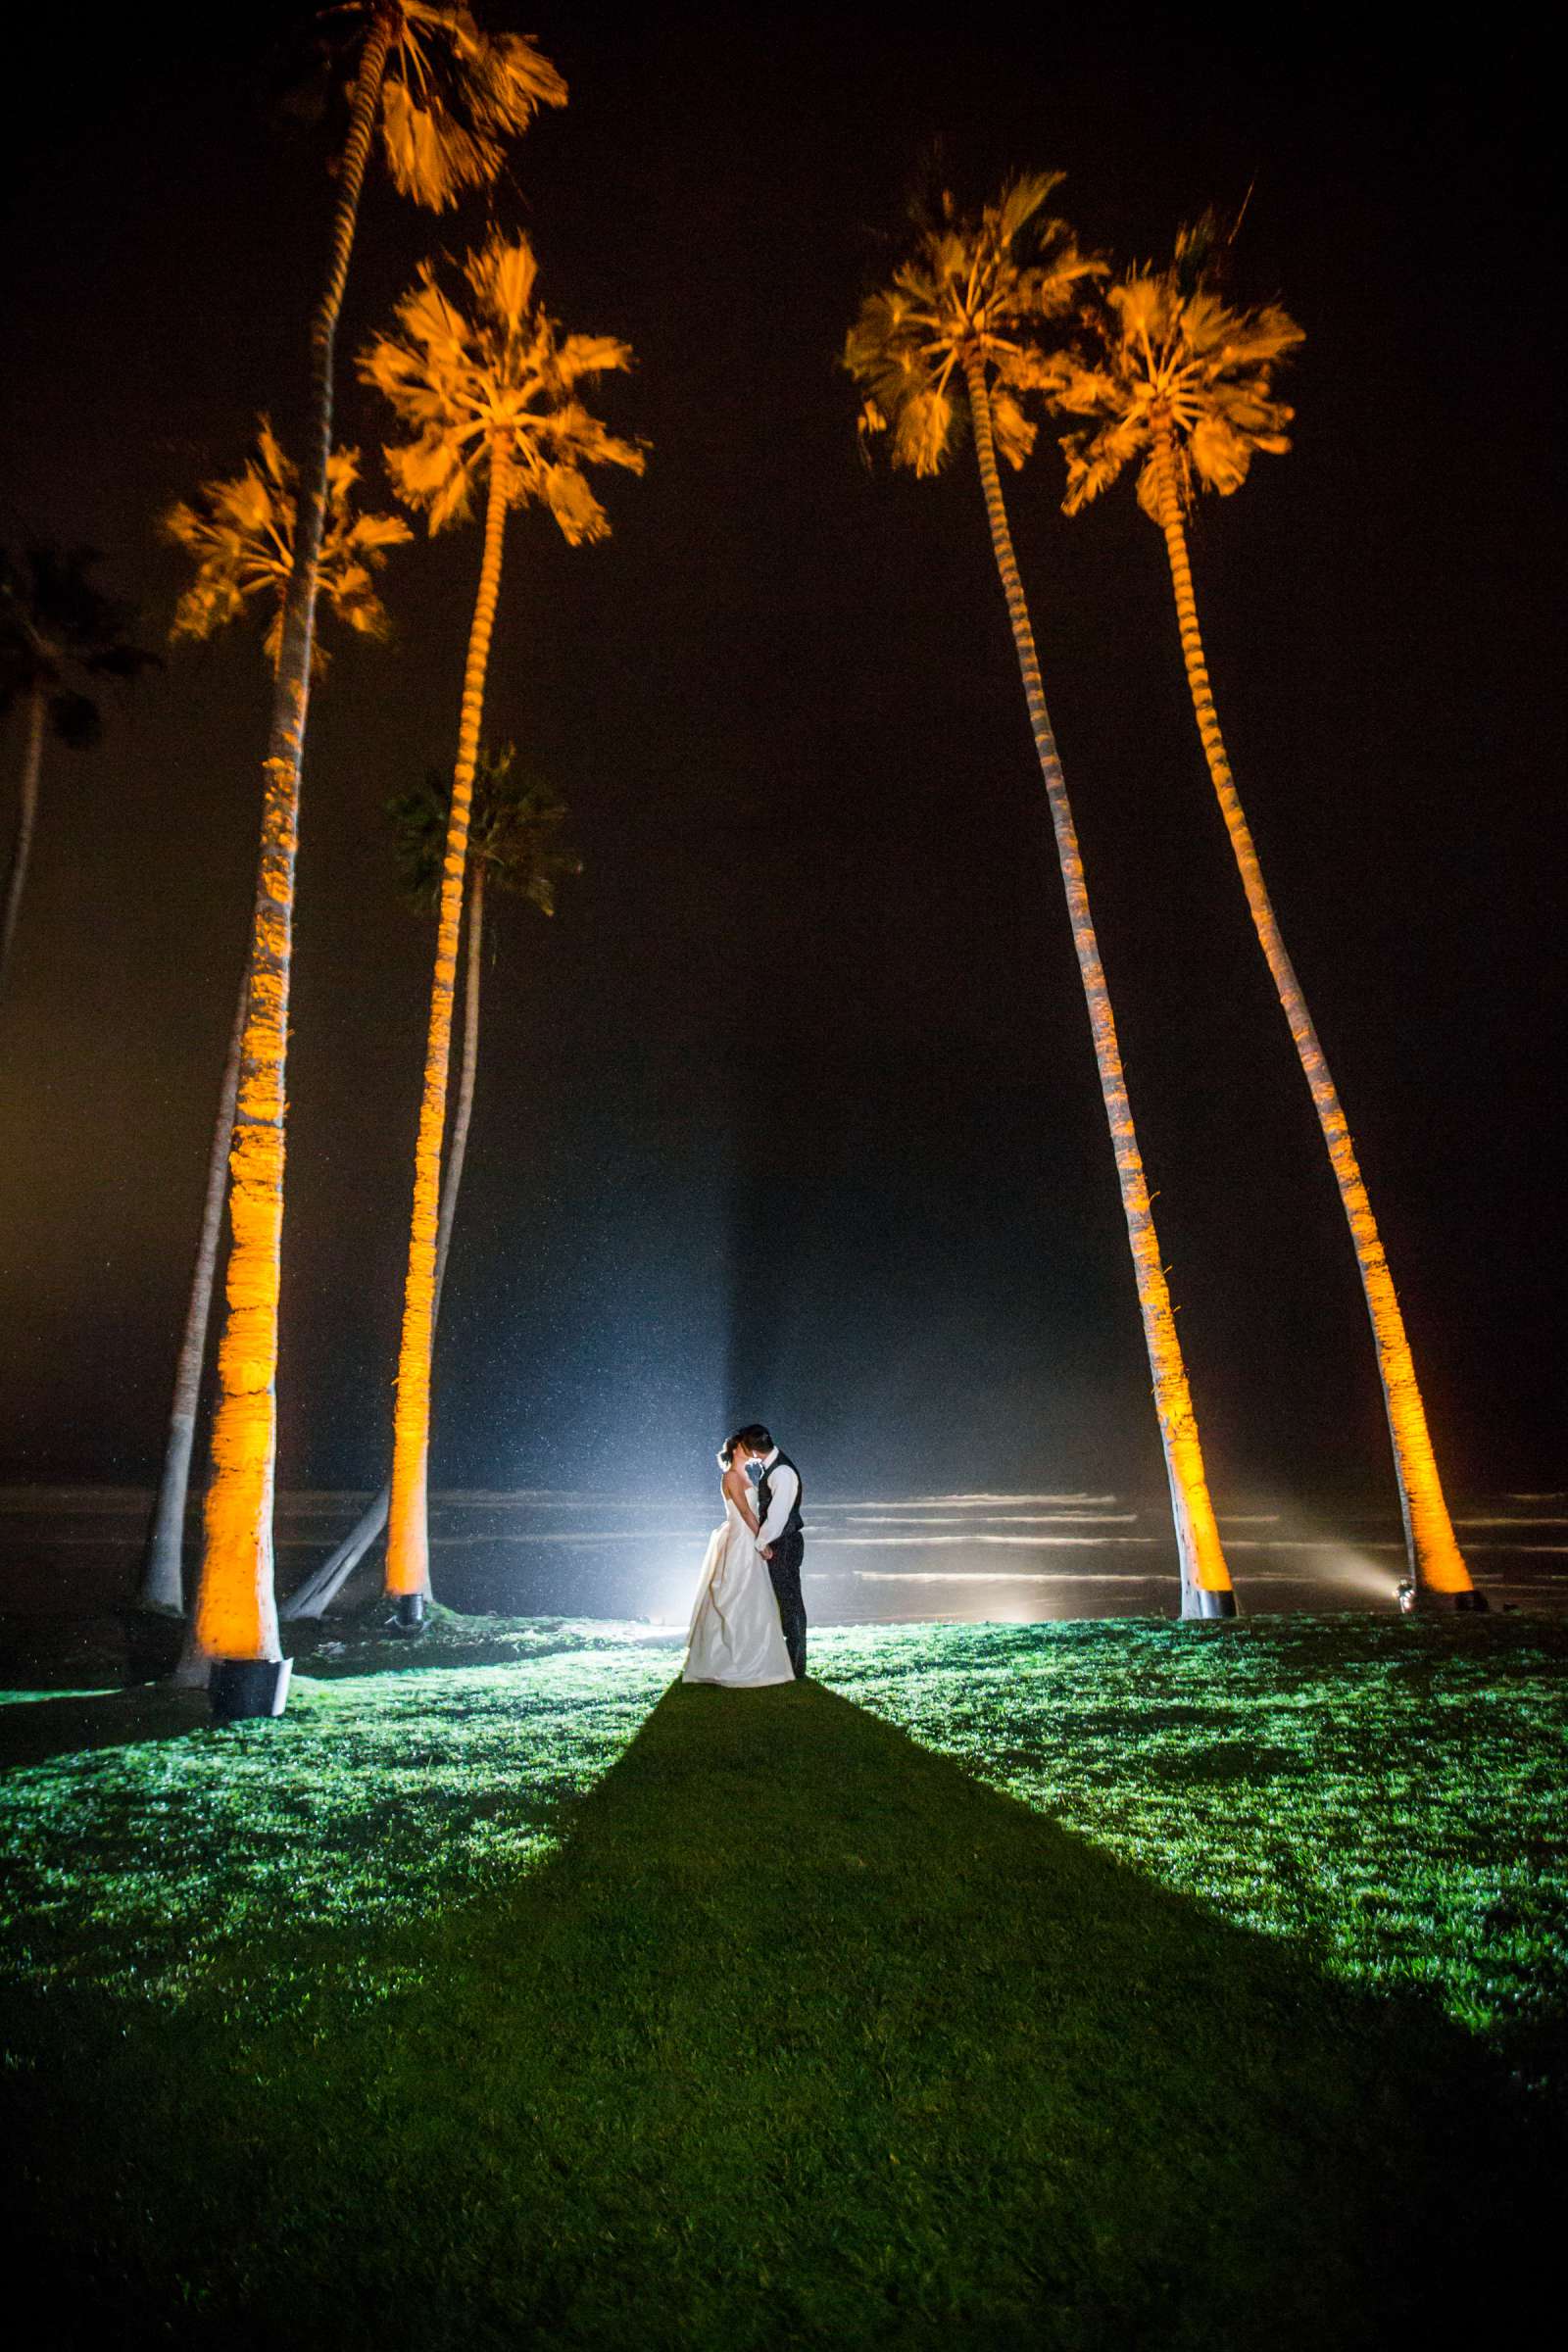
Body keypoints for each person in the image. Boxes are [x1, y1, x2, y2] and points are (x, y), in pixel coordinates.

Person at [682, 1429, 794, 1687]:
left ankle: (757, 1658)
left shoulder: (746, 1474)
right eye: (745, 1447)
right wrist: (761, 1540)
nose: (750, 1450)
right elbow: (744, 1512)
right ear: (736, 1450)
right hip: (741, 1540)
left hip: (746, 1537)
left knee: (754, 1598)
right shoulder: (732, 1476)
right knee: (739, 1594)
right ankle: (731, 1661)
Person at [736, 1421, 808, 1680]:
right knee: (784, 1602)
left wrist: (760, 1542)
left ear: (754, 1452)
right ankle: (787, 1663)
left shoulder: (782, 1472)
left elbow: (777, 1517)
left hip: (784, 1544)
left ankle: (794, 1666)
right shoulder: (772, 1468)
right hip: (781, 1542)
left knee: (789, 1603)